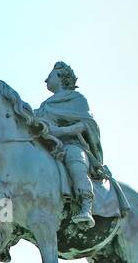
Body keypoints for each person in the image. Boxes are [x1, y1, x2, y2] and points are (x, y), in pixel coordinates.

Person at [35, 61, 107, 229]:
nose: (46, 80)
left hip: (72, 145)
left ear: (60, 76)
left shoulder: (77, 99)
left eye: (50, 76)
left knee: (75, 162)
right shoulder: (45, 105)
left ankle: (85, 206)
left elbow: (87, 124)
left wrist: (61, 132)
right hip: (49, 147)